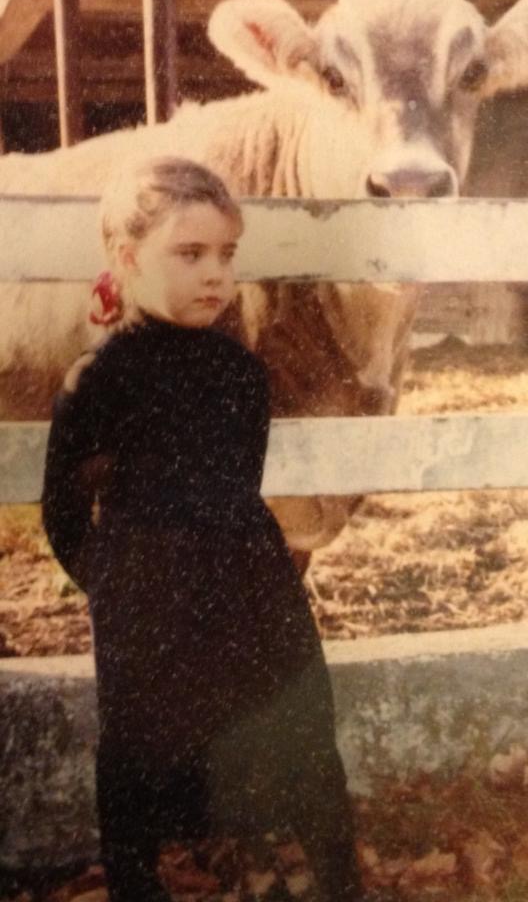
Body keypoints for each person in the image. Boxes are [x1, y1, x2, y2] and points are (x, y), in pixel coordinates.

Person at [42, 157, 362, 902]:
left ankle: (336, 878)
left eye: (225, 254)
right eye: (189, 255)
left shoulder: (241, 372)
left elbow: (238, 481)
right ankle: (138, 880)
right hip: (147, 593)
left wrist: (238, 569)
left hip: (246, 579)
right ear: (126, 259)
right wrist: (119, 585)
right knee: (140, 749)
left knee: (298, 722)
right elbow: (62, 515)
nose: (214, 274)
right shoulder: (98, 380)